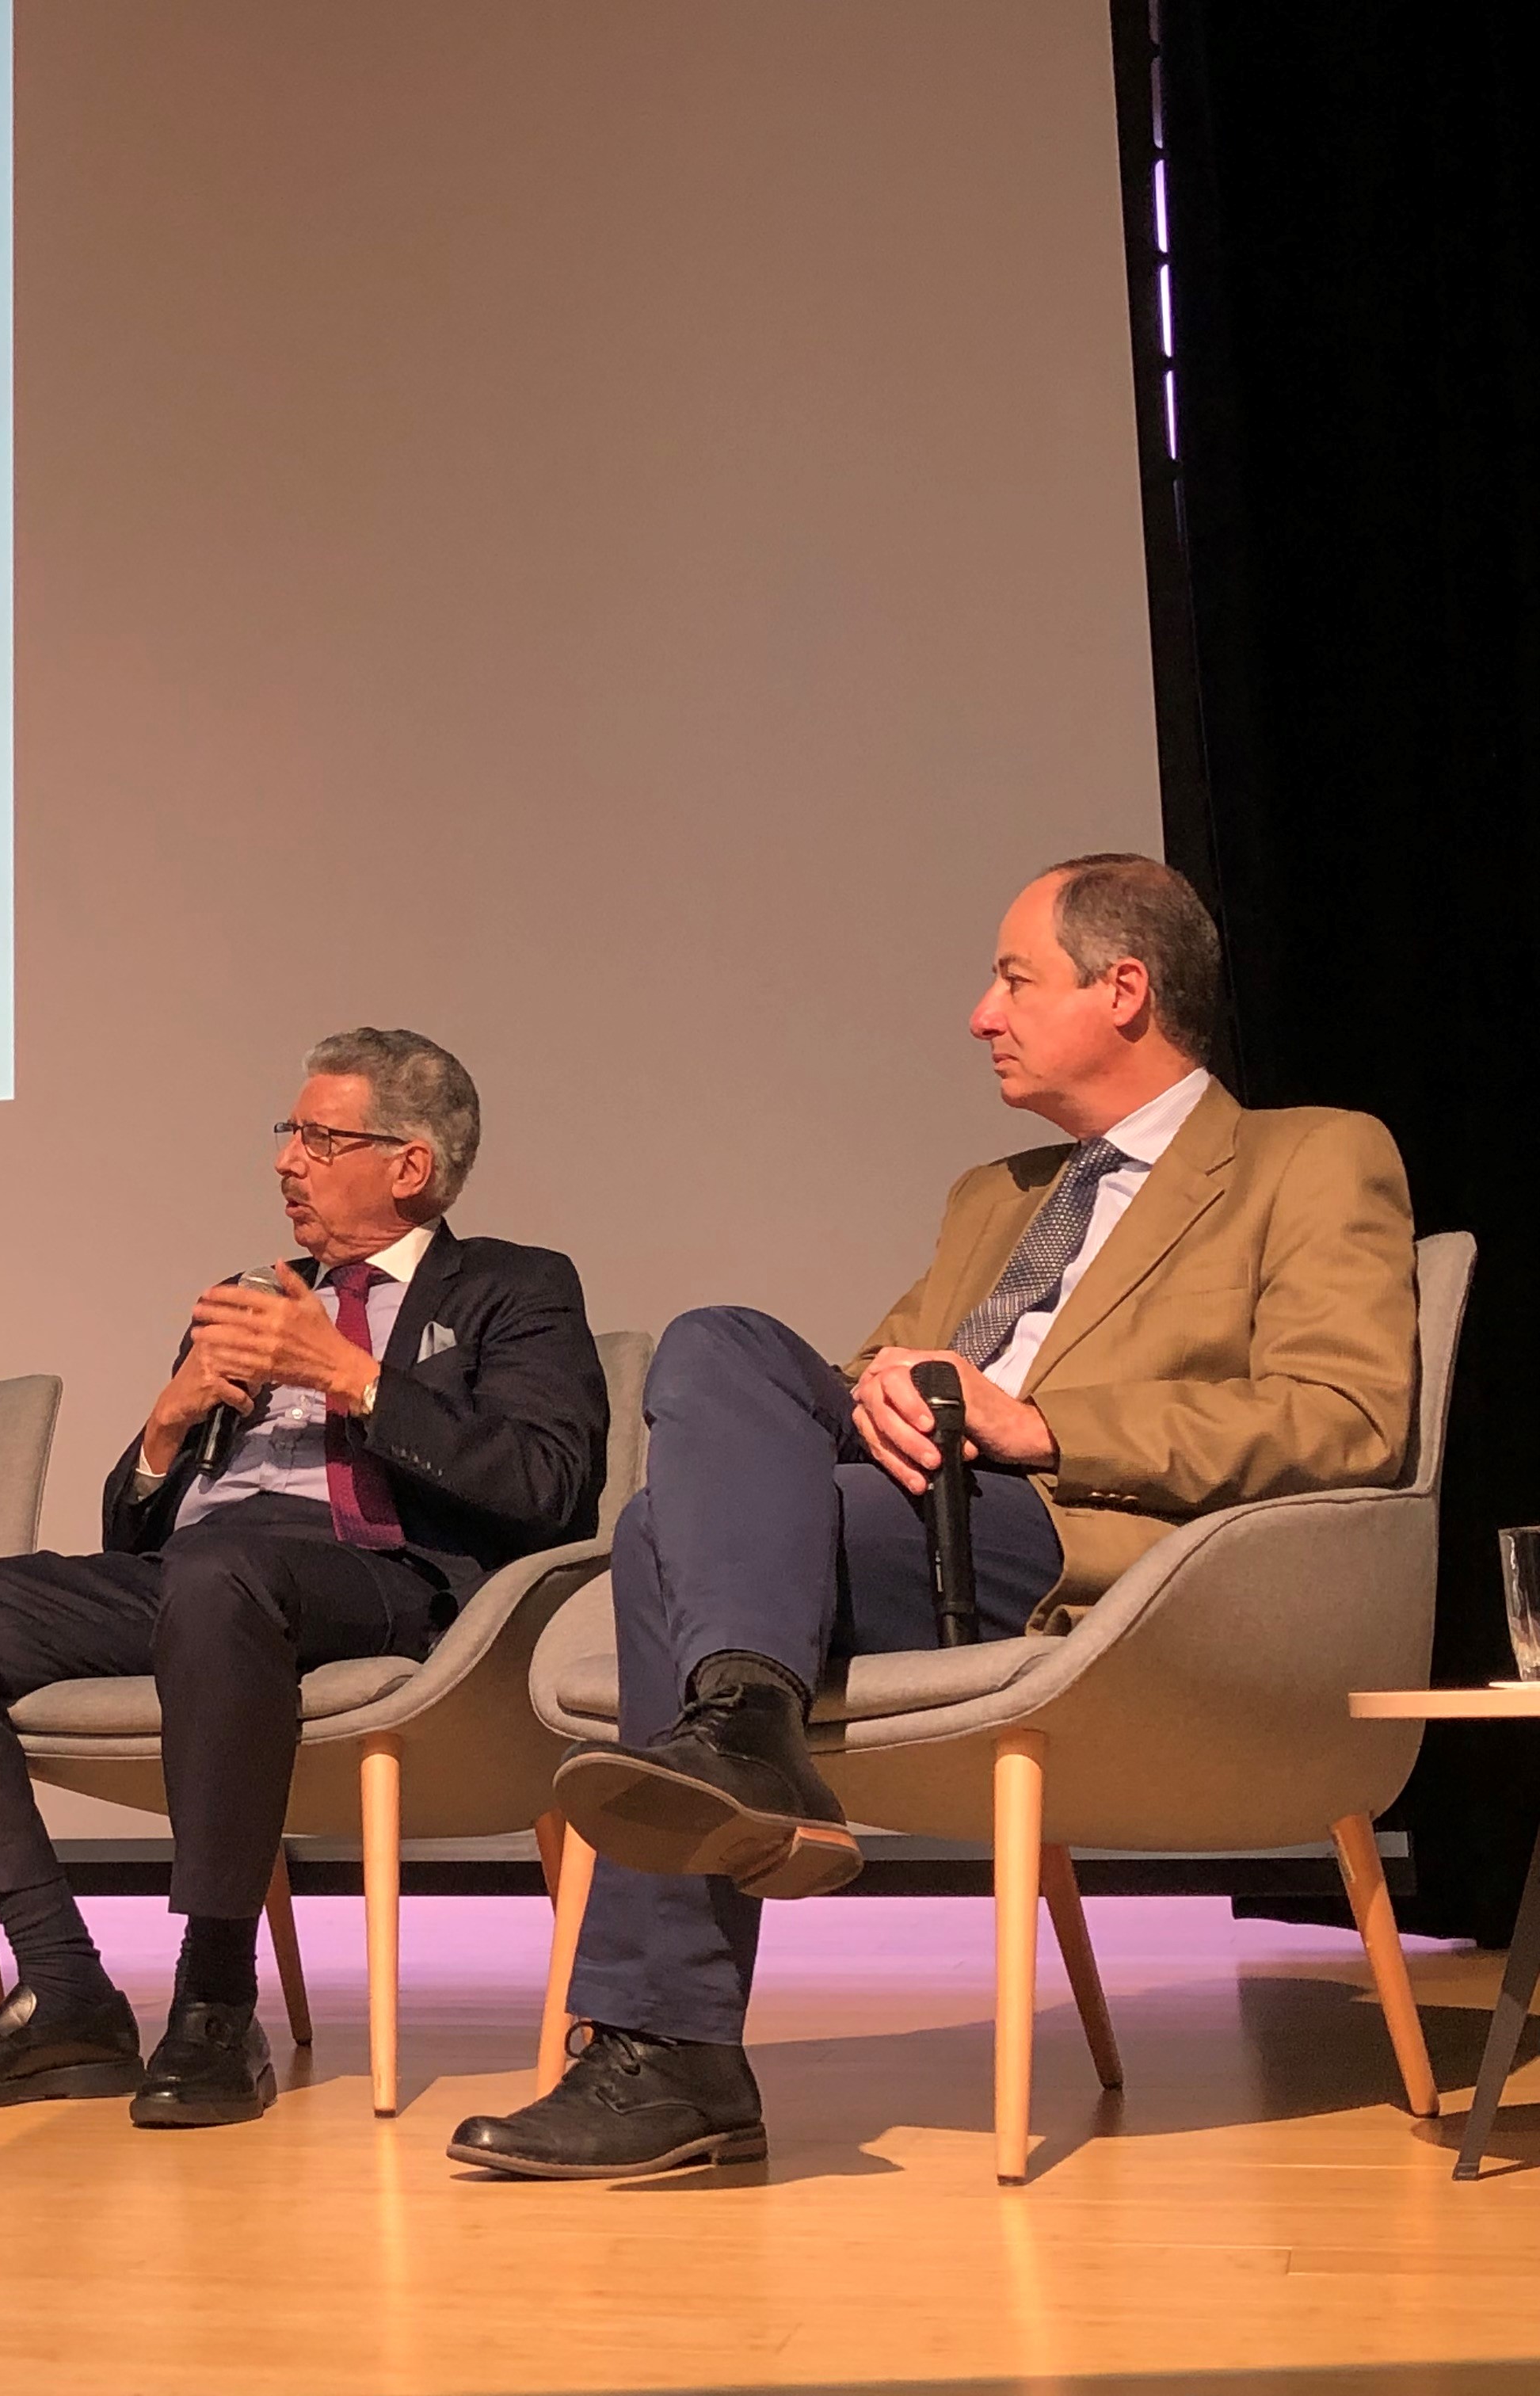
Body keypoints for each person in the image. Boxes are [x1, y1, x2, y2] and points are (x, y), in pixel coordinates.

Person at [449, 854, 1419, 2180]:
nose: (980, 1013)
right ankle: (745, 1730)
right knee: (719, 1342)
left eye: (1014, 979)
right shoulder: (994, 1194)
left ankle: (672, 2047)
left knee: (663, 1537)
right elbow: (866, 1378)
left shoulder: (1307, 1157)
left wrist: (1042, 1424)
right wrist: (886, 1394)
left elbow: (1342, 1416)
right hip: (914, 1502)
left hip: (1075, 1536)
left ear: (1123, 988)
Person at [0, 1028, 610, 2128]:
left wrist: (349, 1375)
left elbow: (550, 1485)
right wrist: (164, 1428)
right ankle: (62, 1986)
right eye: (288, 1134)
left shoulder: (513, 1286)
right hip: (199, 1582)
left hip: (385, 1582)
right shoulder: (253, 1295)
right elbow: (134, 1535)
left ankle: (213, 1997)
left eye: (320, 1138)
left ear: (410, 1166)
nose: (286, 1161)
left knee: (222, 1575)